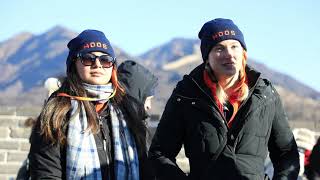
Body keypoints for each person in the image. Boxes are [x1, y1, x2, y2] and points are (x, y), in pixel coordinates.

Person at [148, 18, 300, 180]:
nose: (229, 54)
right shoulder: (186, 95)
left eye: (235, 46)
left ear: (243, 53)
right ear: (207, 57)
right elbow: (160, 154)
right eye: (219, 48)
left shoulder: (265, 95)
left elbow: (286, 154)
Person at [29, 29, 154, 179]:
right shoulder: (57, 111)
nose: (97, 65)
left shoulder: (129, 111)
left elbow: (147, 168)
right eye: (88, 58)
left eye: (105, 60)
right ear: (74, 64)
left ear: (112, 67)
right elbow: (46, 172)